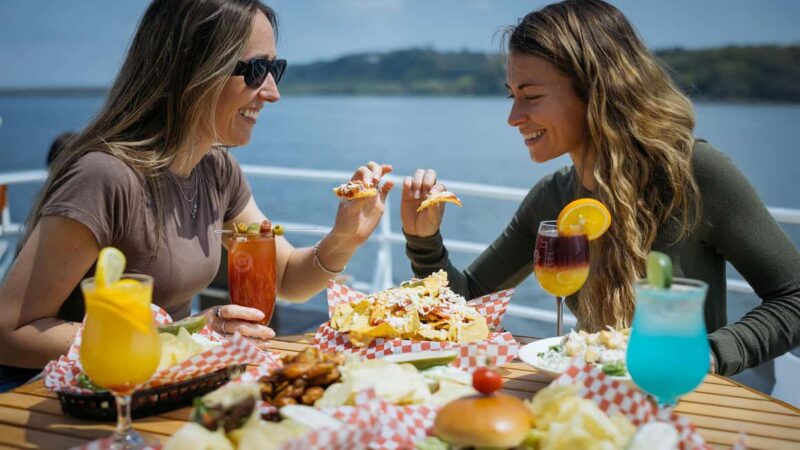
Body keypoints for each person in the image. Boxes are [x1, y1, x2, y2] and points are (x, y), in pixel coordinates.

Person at [0, 0, 393, 391]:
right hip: (68, 402)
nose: (272, 92)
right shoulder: (105, 176)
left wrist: (344, 238)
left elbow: (285, 277)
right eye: (257, 70)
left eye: (276, 69)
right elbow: (11, 332)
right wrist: (185, 337)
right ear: (194, 71)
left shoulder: (217, 171)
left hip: (165, 392)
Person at [400, 0, 800, 377]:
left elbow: (794, 297)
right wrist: (424, 241)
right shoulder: (552, 199)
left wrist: (710, 354)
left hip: (685, 402)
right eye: (512, 96)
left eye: (531, 96)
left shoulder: (696, 174)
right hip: (591, 400)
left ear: (597, 92)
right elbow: (468, 303)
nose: (513, 117)